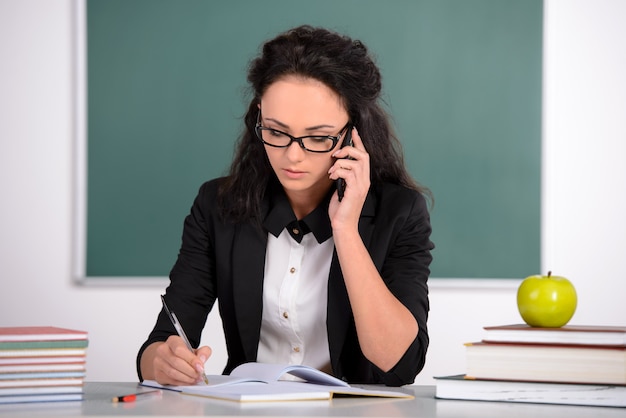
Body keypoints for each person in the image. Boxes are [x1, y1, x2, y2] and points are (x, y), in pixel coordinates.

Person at [137, 25, 433, 387]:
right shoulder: (217, 206)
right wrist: (162, 363)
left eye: (319, 137)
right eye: (276, 132)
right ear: (258, 116)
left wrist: (345, 230)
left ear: (353, 133)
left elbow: (399, 365)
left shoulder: (399, 213)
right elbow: (162, 342)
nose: (292, 155)